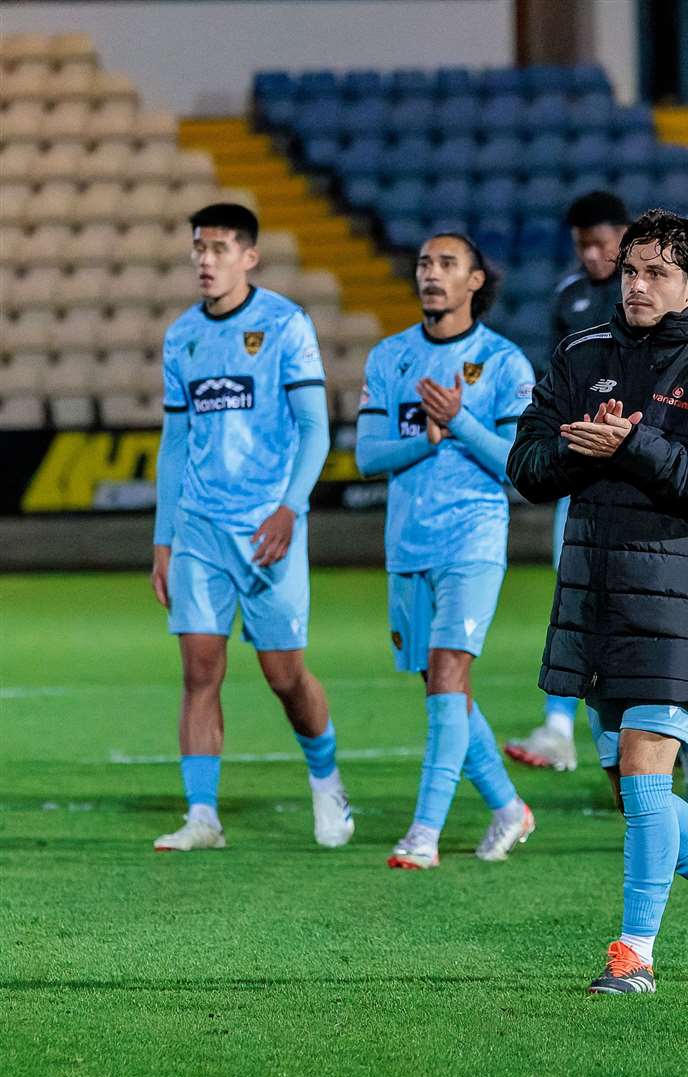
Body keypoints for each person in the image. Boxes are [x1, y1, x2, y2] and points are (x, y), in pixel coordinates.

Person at [507, 208, 688, 994]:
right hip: (597, 595)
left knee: (647, 775)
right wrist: (568, 449)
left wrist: (636, 445)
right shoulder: (581, 351)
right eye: (629, 270)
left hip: (682, 594)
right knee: (634, 791)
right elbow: (527, 465)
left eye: (655, 272)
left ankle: (634, 955)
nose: (636, 284)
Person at [149, 203, 352, 852]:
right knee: (199, 670)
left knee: (284, 675)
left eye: (218, 249)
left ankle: (327, 784)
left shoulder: (285, 326)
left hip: (269, 530)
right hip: (200, 530)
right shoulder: (181, 336)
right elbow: (175, 443)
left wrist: (291, 507)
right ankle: (202, 816)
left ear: (249, 257)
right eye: (198, 249)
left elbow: (317, 429)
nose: (204, 261)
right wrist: (163, 538)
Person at [355, 233, 536, 870]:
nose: (431, 274)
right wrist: (427, 439)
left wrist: (459, 421)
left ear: (476, 281)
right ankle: (510, 808)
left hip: (474, 541)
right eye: (425, 263)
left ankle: (423, 834)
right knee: (441, 686)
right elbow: (368, 455)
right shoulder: (390, 356)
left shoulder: (505, 363)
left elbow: (520, 465)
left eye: (447, 264)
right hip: (408, 545)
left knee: (451, 675)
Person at [505, 191, 629, 772]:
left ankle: (663, 737)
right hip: (584, 471)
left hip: (644, 472)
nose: (594, 253)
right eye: (584, 243)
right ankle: (558, 726)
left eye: (603, 241)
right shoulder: (568, 297)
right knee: (574, 593)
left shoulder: (649, 291)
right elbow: (556, 381)